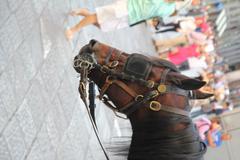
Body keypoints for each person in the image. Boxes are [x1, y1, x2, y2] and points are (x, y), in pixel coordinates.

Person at [65, 0, 198, 40]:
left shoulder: (169, 9)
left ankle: (83, 12)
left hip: (132, 19)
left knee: (101, 25)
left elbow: (154, 19)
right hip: (127, 7)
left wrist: (155, 23)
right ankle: (73, 30)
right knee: (98, 17)